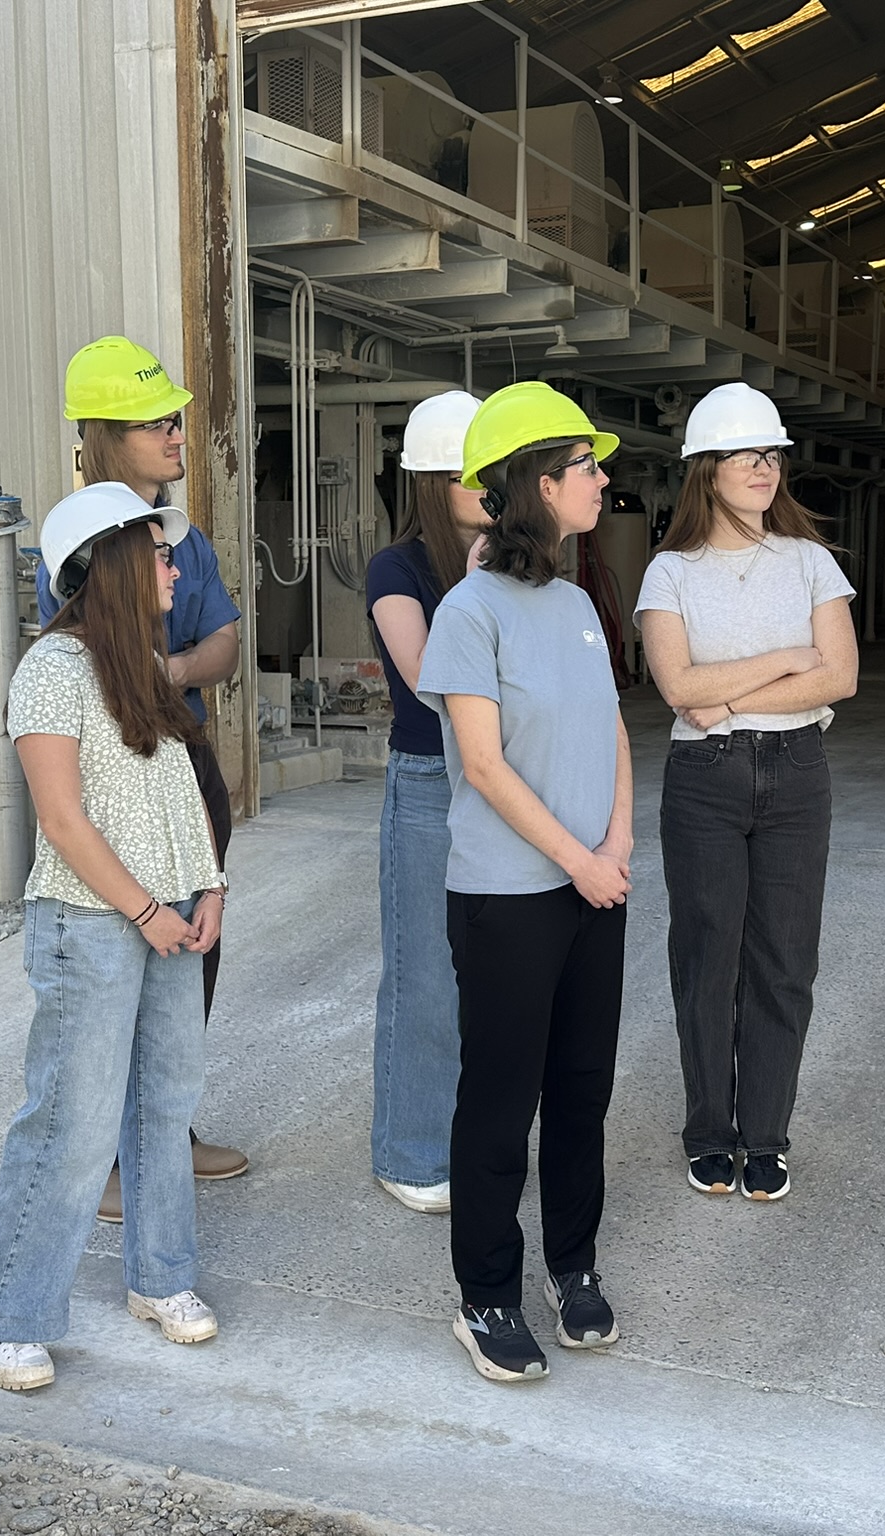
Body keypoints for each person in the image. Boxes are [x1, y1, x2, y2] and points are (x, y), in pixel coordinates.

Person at [0, 482, 227, 1394]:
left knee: (165, 1099)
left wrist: (209, 886)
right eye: (159, 554)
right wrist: (149, 911)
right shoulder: (50, 670)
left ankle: (161, 1279)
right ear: (113, 564)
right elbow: (65, 822)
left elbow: (178, 795)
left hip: (165, 917)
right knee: (72, 1123)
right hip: (92, 923)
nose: (174, 567)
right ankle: (11, 1315)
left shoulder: (145, 668)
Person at [417, 381, 634, 1383]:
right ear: (539, 484)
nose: (601, 479)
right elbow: (485, 765)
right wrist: (579, 860)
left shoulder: (579, 602)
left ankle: (572, 1265)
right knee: (501, 1098)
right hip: (510, 894)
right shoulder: (467, 612)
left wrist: (617, 843)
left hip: (595, 885)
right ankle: (485, 1294)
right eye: (585, 467)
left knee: (581, 1089)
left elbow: (613, 730)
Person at [39, 335, 246, 1221]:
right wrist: (165, 674)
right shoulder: (86, 539)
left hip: (182, 756)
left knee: (191, 949)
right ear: (104, 433)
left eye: (176, 419)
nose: (176, 434)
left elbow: (225, 645)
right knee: (122, 947)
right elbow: (91, 662)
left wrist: (169, 676)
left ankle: (167, 1125)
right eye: (157, 422)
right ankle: (114, 1150)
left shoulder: (182, 536)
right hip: (114, 767)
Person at [635, 383, 858, 1203]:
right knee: (706, 962)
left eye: (772, 456)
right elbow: (674, 685)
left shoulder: (809, 560)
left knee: (783, 963)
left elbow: (842, 675)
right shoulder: (670, 573)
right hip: (705, 783)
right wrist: (786, 659)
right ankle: (708, 1133)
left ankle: (765, 1136)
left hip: (797, 774)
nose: (764, 469)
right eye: (745, 456)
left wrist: (725, 698)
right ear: (706, 470)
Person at [365, 388, 487, 1215]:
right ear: (435, 482)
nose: (493, 486)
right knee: (425, 975)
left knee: (492, 973)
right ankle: (408, 1150)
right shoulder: (397, 568)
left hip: (503, 776)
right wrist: (480, 585)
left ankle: (473, 1137)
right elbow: (428, 680)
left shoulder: (516, 558)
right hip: (428, 780)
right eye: (475, 473)